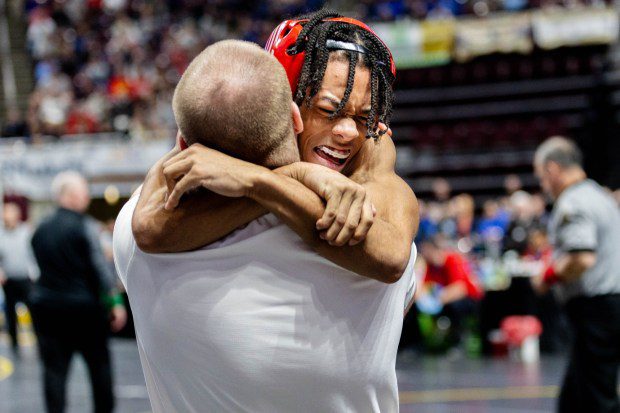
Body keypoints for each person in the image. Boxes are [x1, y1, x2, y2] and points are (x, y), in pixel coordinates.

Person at [114, 19, 417, 412]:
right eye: (329, 109)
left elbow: (147, 227)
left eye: (365, 120)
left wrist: (261, 179)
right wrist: (286, 178)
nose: (348, 133)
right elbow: (395, 257)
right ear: (286, 106)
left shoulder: (137, 227)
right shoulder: (362, 222)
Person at [532, 136, 620, 413]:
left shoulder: (573, 202)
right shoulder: (598, 194)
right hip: (609, 305)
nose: (544, 187)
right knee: (575, 397)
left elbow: (582, 257)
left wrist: (547, 276)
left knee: (597, 398)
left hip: (596, 309)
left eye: (542, 179)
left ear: (553, 170)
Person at [30, 171, 127, 413]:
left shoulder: (39, 229)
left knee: (54, 373)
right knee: (99, 369)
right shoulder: (86, 227)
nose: (86, 197)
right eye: (84, 192)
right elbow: (100, 269)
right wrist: (115, 301)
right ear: (71, 195)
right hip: (85, 312)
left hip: (48, 311)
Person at [0, 202, 37, 353]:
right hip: (9, 279)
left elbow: (33, 253)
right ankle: (14, 345)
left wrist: (34, 272)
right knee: (10, 312)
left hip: (26, 278)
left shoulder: (26, 232)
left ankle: (41, 342)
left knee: (33, 309)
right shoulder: (1, 234)